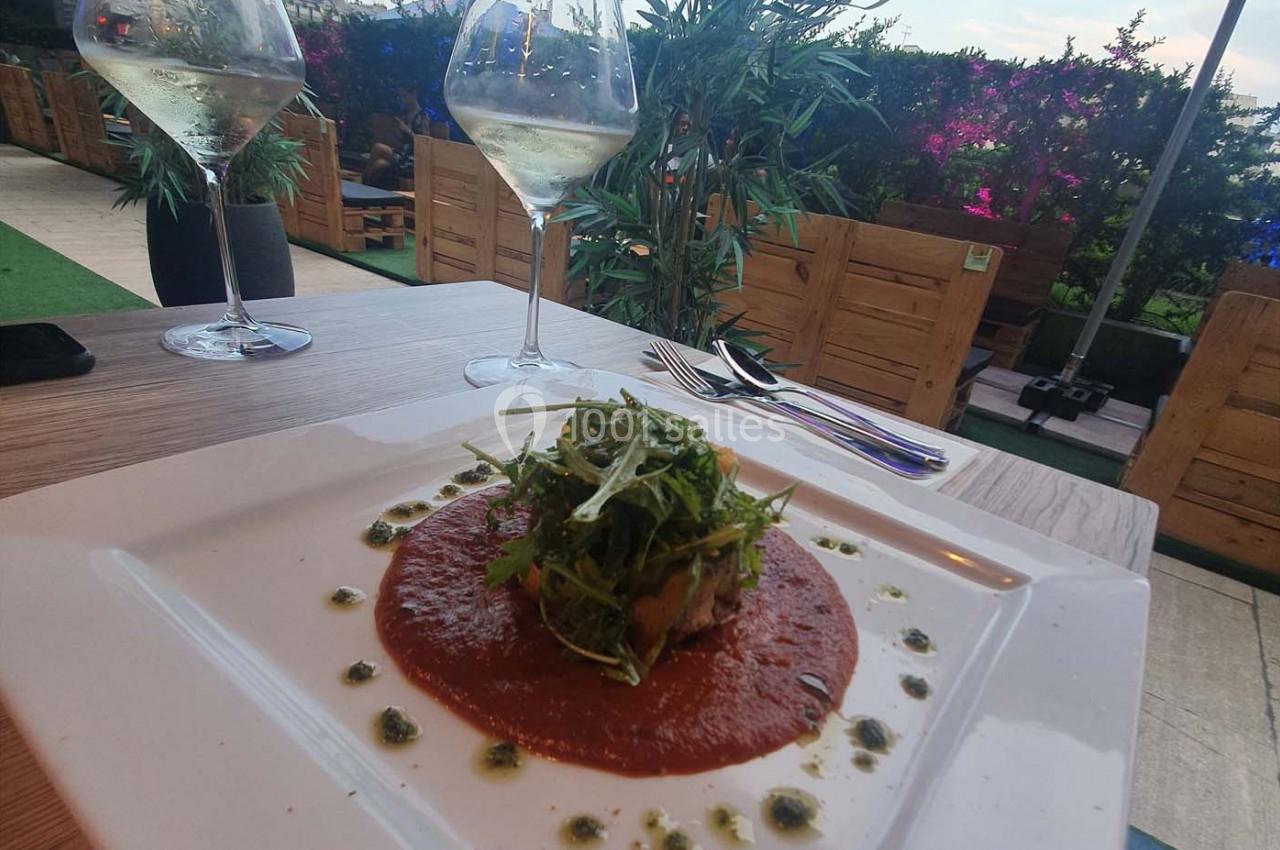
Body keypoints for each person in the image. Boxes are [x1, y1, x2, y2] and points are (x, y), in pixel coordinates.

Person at [361, 86, 428, 190]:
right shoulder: (404, 114)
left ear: (414, 94)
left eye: (404, 96)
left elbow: (425, 144)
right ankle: (365, 191)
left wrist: (407, 131)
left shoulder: (422, 117)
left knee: (378, 147)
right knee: (379, 164)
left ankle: (361, 186)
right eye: (400, 97)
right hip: (400, 153)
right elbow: (399, 139)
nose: (402, 100)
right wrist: (397, 131)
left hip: (410, 158)